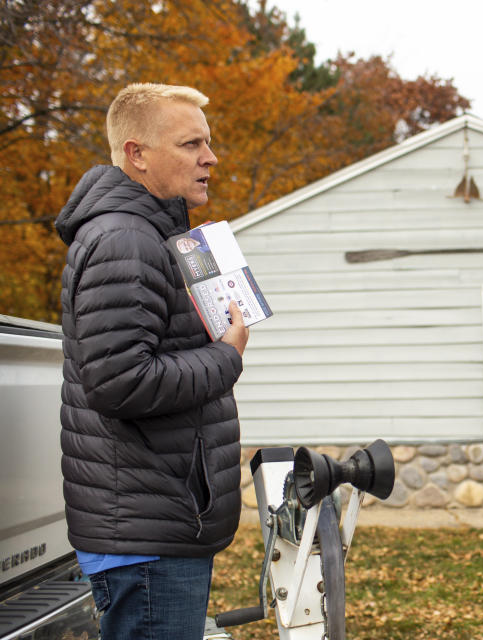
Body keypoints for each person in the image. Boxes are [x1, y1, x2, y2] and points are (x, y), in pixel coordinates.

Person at [55, 83, 250, 640]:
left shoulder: (155, 236)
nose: (210, 157)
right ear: (137, 153)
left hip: (152, 527)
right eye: (191, 144)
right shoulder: (124, 239)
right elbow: (119, 384)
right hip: (142, 541)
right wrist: (224, 356)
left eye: (207, 143)